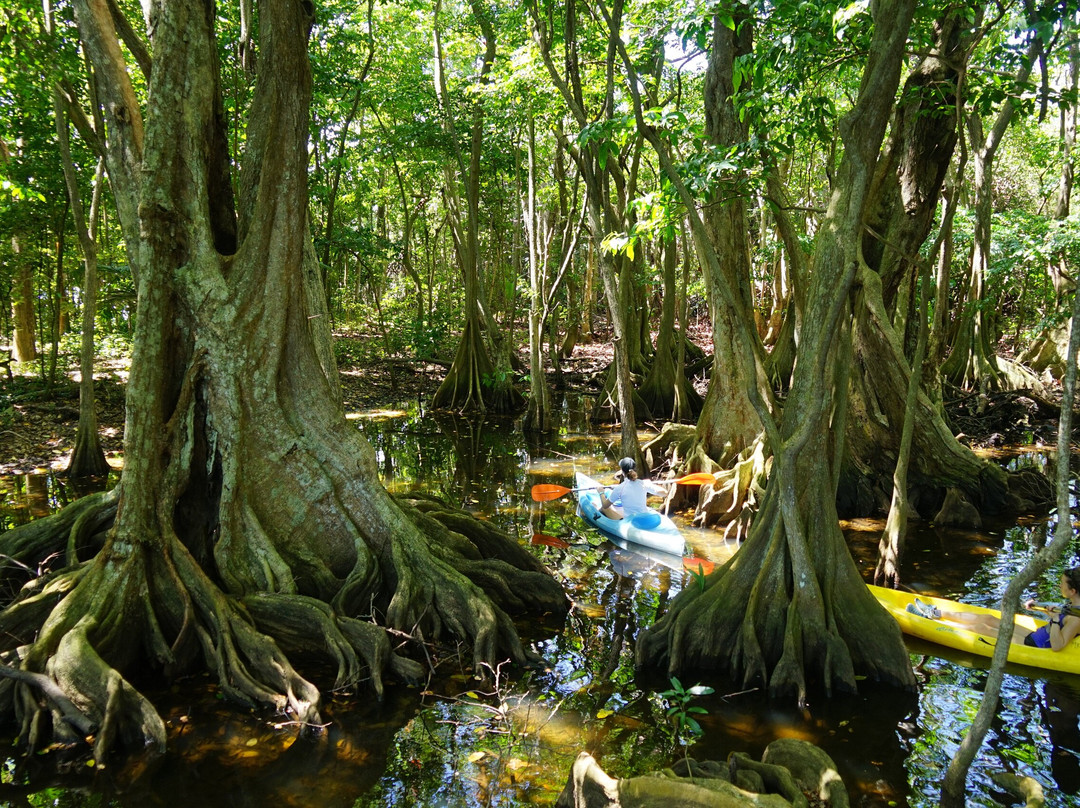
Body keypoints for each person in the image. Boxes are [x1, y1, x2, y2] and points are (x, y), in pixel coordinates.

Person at [907, 567, 1080, 650]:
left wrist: (1055, 621)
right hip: (1036, 636)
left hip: (1036, 645)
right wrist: (1038, 607)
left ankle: (928, 621)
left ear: (1072, 591)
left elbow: (1058, 646)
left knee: (981, 628)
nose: (1059, 586)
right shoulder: (1074, 605)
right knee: (990, 619)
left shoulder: (1076, 619)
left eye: (1061, 584)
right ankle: (935, 612)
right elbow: (1061, 611)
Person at [599, 457, 666, 520]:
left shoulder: (619, 488)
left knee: (604, 509)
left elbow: (605, 505)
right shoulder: (644, 483)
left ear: (622, 471)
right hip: (644, 517)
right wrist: (651, 485)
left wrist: (601, 492)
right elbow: (664, 493)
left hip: (630, 521)